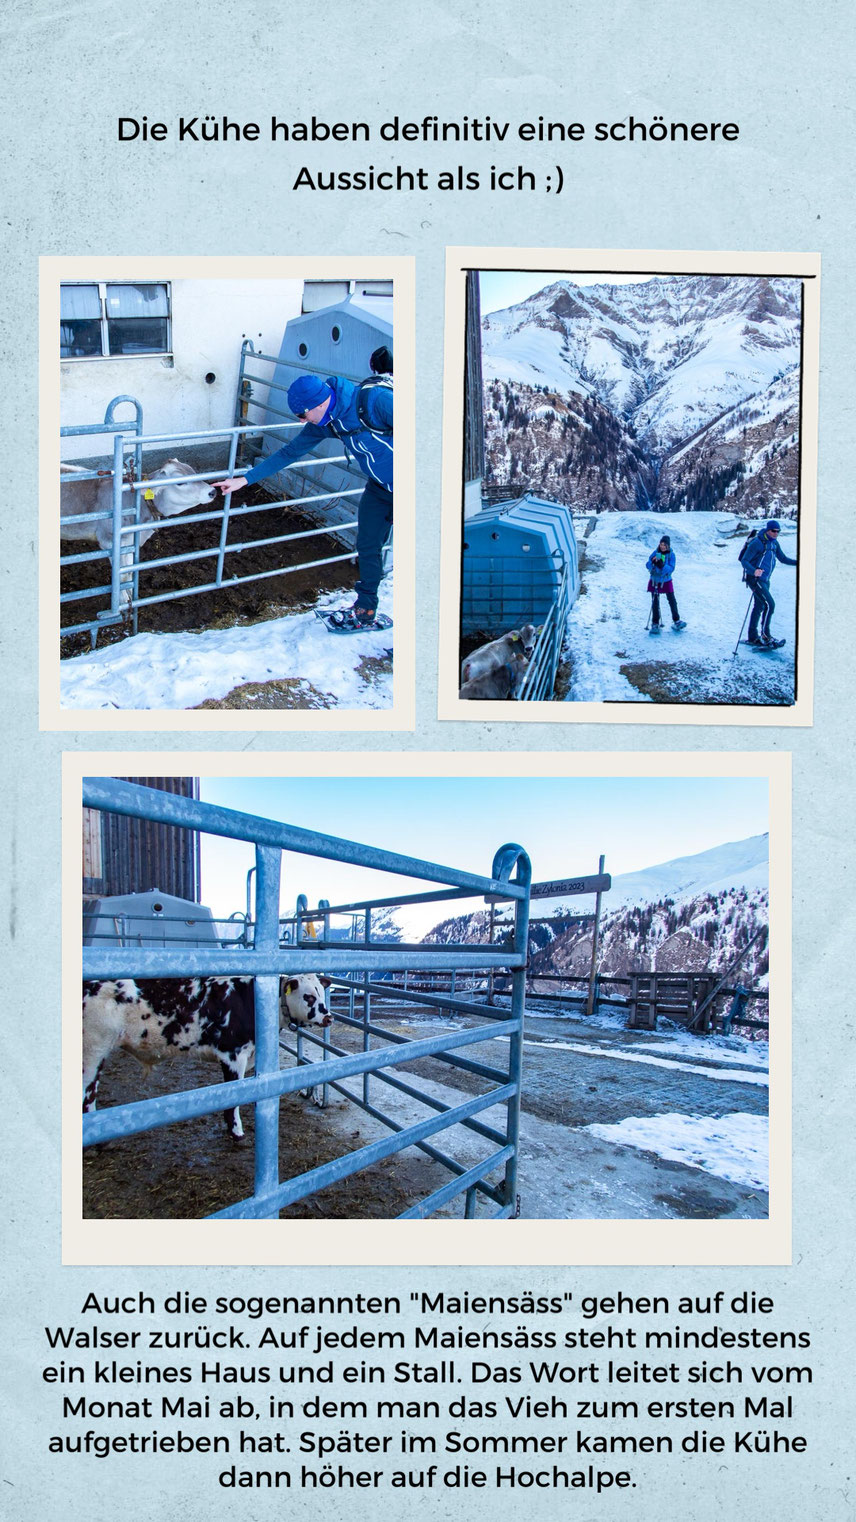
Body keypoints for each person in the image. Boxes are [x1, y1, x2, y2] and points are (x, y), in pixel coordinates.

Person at [213, 353, 393, 630]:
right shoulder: (326, 421)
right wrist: (245, 480)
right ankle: (365, 610)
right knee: (368, 546)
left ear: (321, 403)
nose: (300, 421)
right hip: (380, 489)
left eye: (302, 414)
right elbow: (289, 452)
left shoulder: (376, 403)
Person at [740, 519, 797, 649]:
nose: (776, 533)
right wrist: (754, 571)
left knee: (759, 606)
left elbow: (783, 559)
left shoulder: (774, 544)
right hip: (755, 580)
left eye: (778, 531)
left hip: (765, 580)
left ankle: (753, 637)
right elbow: (744, 561)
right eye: (773, 531)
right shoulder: (757, 543)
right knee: (769, 604)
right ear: (768, 530)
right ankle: (766, 636)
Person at [646, 534, 686, 633]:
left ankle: (676, 621)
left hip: (666, 580)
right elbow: (647, 564)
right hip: (655, 580)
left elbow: (671, 569)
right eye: (661, 544)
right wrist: (652, 563)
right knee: (655, 601)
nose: (662, 546)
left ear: (668, 545)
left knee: (672, 600)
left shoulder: (671, 555)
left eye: (664, 545)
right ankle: (655, 623)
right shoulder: (655, 553)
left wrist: (662, 565)